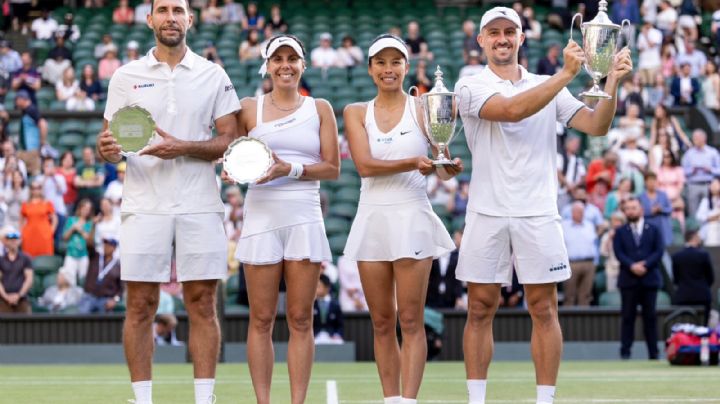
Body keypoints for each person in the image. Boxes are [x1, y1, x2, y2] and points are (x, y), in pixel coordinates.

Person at [454, 7, 631, 404]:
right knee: (480, 309)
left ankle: (545, 401)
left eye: (509, 32)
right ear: (481, 40)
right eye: (494, 32)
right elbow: (512, 110)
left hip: (539, 212)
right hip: (486, 211)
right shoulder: (469, 84)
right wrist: (566, 74)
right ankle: (476, 400)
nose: (502, 39)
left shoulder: (547, 84)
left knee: (544, 310)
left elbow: (595, 125)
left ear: (521, 38)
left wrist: (612, 81)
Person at [96, 0, 240, 403]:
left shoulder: (213, 74)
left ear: (190, 19)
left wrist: (183, 147)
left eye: (178, 10)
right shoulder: (125, 76)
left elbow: (230, 140)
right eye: (163, 10)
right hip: (144, 203)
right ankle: (143, 399)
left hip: (199, 202)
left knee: (202, 303)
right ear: (150, 19)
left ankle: (204, 398)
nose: (171, 18)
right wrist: (106, 148)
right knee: (140, 305)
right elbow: (108, 142)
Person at [343, 34, 460, 404]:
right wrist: (413, 162)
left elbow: (440, 168)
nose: (388, 69)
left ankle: (408, 401)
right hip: (373, 217)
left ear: (406, 67)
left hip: (412, 216)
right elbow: (364, 166)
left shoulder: (425, 107)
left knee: (411, 321)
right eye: (381, 62)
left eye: (396, 62)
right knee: (381, 322)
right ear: (370, 69)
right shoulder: (355, 112)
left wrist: (447, 168)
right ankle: (390, 399)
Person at [232, 34, 338, 404]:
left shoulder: (320, 108)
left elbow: (332, 168)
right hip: (261, 216)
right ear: (267, 65)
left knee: (300, 319)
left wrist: (287, 169)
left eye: (292, 58)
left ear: (303, 64)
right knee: (260, 320)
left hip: (304, 216)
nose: (285, 65)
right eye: (277, 59)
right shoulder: (248, 109)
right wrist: (234, 169)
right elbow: (232, 155)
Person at [613, 197, 664, 360]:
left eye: (633, 207)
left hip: (649, 280)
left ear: (641, 209)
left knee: (650, 317)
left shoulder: (654, 229)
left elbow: (659, 251)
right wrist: (632, 266)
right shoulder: (620, 231)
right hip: (628, 280)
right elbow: (619, 252)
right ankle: (625, 353)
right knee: (628, 317)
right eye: (627, 208)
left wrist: (646, 264)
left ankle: (654, 353)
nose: (630, 211)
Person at [671, 229, 715, 325]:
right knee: (703, 327)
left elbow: (676, 278)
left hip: (683, 296)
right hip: (702, 296)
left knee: (683, 328)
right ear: (694, 238)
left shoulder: (676, 256)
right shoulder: (704, 255)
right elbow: (710, 277)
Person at [561, 201, 598, 306]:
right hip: (571, 264)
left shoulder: (589, 225)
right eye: (577, 211)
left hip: (589, 263)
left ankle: (584, 321)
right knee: (569, 295)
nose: (580, 213)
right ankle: (567, 320)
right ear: (572, 212)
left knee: (586, 296)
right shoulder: (564, 226)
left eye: (582, 211)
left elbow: (593, 243)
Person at [77, 237, 123, 314]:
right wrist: (93, 226)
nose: (105, 247)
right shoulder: (95, 257)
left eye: (108, 245)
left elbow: (121, 289)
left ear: (114, 248)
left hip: (106, 299)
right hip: (89, 296)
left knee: (106, 323)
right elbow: (89, 244)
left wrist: (115, 300)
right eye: (105, 244)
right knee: (81, 319)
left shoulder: (118, 266)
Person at [682, 129, 720, 217]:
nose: (695, 140)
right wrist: (692, 170)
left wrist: (710, 170)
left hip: (709, 186)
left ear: (704, 139)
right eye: (694, 138)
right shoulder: (689, 154)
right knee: (693, 212)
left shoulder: (712, 152)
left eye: (697, 138)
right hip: (693, 185)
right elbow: (682, 171)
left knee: (710, 211)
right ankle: (695, 230)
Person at [426, 228, 465, 309]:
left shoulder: (456, 256)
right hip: (432, 296)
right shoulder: (432, 255)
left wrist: (459, 296)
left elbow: (457, 279)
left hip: (450, 296)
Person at [20, 180, 57, 257]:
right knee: (29, 257)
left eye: (38, 188)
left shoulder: (47, 203)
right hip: (29, 235)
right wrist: (22, 232)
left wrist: (51, 230)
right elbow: (21, 219)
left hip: (44, 234)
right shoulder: (25, 204)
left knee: (45, 257)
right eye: (33, 188)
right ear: (30, 190)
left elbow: (55, 218)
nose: (36, 190)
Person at [61, 199, 93, 286]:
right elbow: (64, 237)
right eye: (84, 208)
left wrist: (81, 230)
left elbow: (90, 240)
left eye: (88, 209)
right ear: (80, 208)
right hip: (71, 253)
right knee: (69, 279)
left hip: (83, 254)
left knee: (83, 278)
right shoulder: (71, 220)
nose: (86, 211)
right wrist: (72, 228)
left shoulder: (90, 223)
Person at [0, 228, 33, 313]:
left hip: (22, 300)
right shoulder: (1, 260)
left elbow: (29, 279)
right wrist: (6, 296)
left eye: (15, 239)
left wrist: (19, 295)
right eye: (10, 239)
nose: (13, 242)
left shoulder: (26, 258)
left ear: (20, 241)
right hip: (4, 300)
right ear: (6, 242)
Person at [313, 273, 344, 343]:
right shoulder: (312, 304)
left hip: (332, 336)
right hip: (315, 336)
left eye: (318, 286)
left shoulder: (335, 304)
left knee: (339, 342)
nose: (316, 289)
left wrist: (337, 334)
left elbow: (340, 325)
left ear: (327, 288)